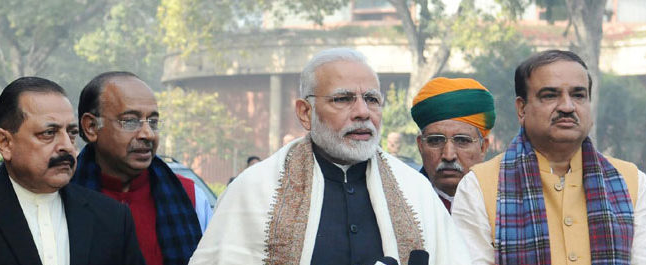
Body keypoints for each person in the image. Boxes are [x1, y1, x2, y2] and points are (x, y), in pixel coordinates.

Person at [189, 48, 469, 265]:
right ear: (305, 112)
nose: (363, 112)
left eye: (372, 99)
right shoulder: (254, 191)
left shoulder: (414, 191)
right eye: (343, 99)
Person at [451, 50, 646, 264]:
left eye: (578, 95)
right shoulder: (478, 186)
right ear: (521, 108)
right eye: (550, 95)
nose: (567, 106)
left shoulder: (633, 183)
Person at [0, 77, 145, 265]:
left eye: (71, 133)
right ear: (5, 143)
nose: (67, 146)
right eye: (49, 133)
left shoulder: (112, 218)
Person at [73, 71, 212, 265]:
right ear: (91, 126)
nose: (148, 134)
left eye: (153, 122)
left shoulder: (191, 197)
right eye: (130, 121)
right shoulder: (61, 196)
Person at [410, 77, 494, 212]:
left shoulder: (505, 205)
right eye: (436, 140)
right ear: (420, 146)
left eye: (462, 141)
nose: (448, 156)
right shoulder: (399, 204)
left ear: (483, 147)